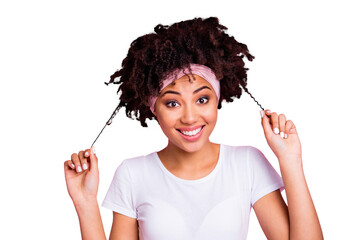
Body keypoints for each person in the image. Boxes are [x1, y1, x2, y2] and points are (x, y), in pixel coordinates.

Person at [64, 17, 323, 240]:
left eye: (202, 99)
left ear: (217, 99)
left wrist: (290, 160)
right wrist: (85, 203)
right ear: (154, 108)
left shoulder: (246, 164)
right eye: (173, 103)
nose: (190, 117)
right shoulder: (133, 175)